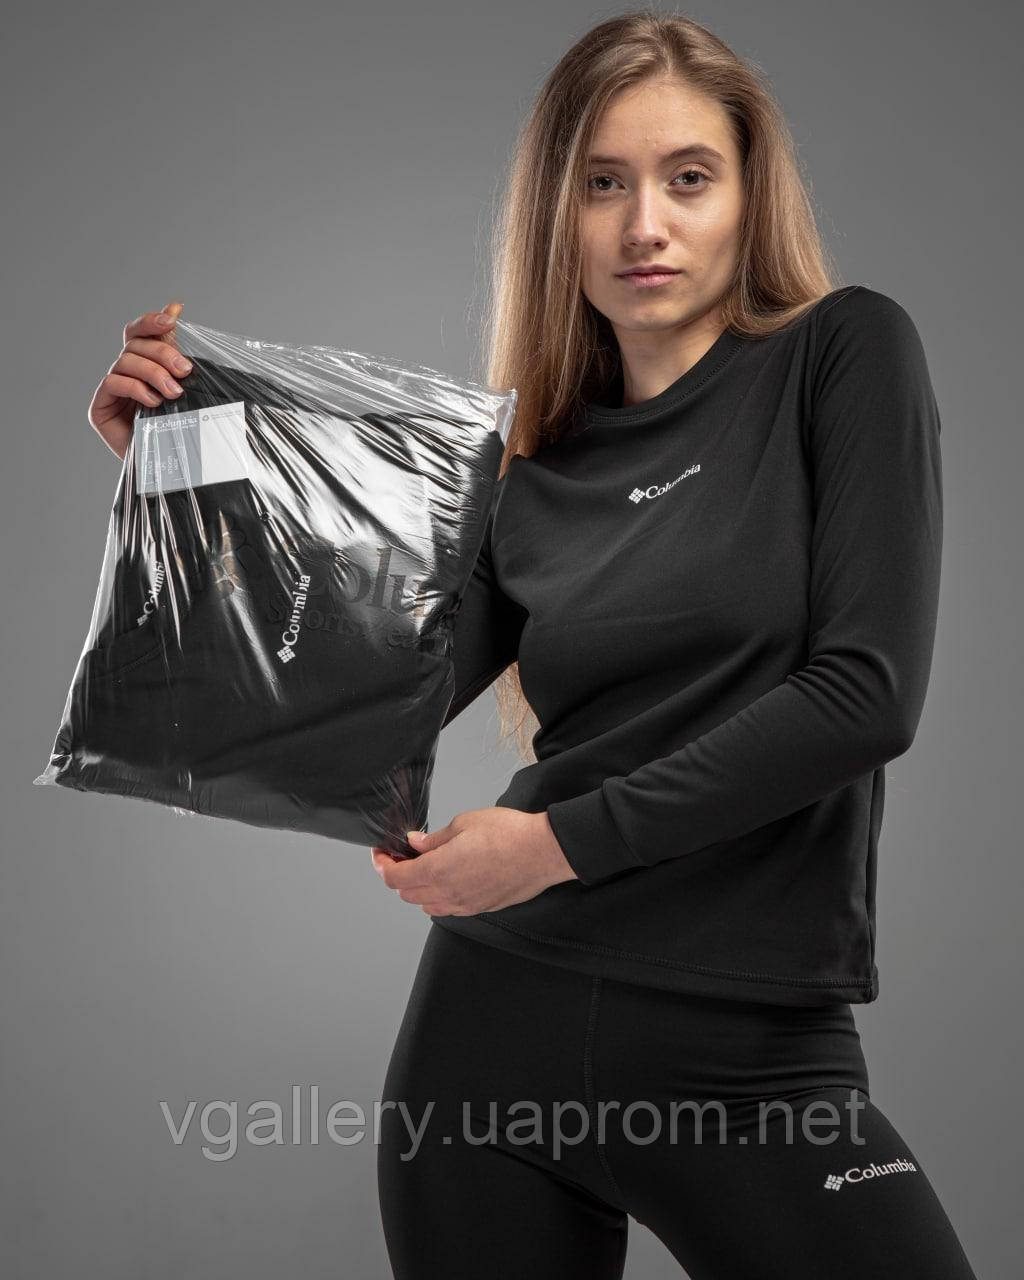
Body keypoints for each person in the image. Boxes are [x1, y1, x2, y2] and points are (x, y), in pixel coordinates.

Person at [87, 14, 977, 1279]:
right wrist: (176, 487)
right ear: (557, 215)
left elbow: (864, 695)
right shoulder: (526, 476)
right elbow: (333, 714)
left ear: (748, 196)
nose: (643, 224)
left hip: (752, 1059)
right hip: (489, 1050)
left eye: (687, 177)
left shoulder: (844, 353)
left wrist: (550, 844)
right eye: (601, 183)